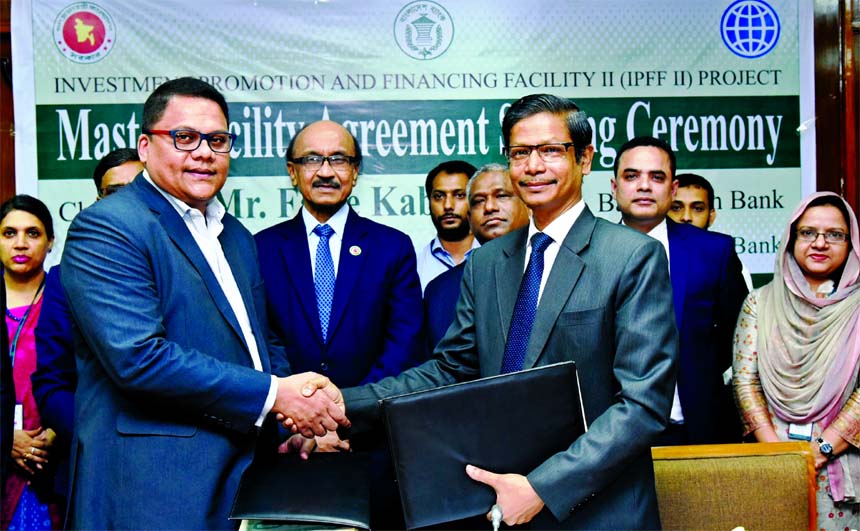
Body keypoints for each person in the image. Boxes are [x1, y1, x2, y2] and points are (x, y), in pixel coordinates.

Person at [335, 94, 678, 530]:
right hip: (497, 505)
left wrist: (541, 488)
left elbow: (642, 405)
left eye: (551, 150)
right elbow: (449, 370)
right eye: (520, 153)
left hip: (598, 511)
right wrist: (340, 402)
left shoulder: (632, 256)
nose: (533, 166)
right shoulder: (487, 263)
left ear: (585, 159)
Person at [59, 77, 348, 530]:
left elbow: (259, 340)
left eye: (217, 140)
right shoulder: (109, 228)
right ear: (145, 146)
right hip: (154, 486)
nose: (204, 152)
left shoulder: (235, 235)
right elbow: (138, 359)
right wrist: (277, 397)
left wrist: (288, 422)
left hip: (242, 475)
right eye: (184, 137)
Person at [255, 119, 424, 529]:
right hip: (286, 445)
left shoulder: (392, 246)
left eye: (339, 159)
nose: (326, 171)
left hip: (372, 445)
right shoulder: (259, 247)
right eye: (312, 159)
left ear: (356, 170)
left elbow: (403, 345)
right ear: (291, 171)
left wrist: (342, 421)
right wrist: (297, 420)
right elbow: (262, 342)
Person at [733, 192, 860, 529]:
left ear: (851, 244)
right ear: (791, 240)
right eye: (808, 232)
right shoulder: (759, 303)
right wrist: (778, 454)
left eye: (834, 235)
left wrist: (822, 450)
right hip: (772, 458)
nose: (820, 243)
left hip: (843, 465)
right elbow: (746, 382)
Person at [611, 137, 748, 445]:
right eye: (632, 176)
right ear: (614, 186)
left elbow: (735, 338)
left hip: (692, 428)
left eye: (656, 177)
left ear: (672, 189)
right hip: (610, 435)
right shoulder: (588, 251)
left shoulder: (713, 251)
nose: (644, 186)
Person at [30, 148, 143, 507]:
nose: (127, 200)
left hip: (183, 465)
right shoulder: (64, 278)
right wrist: (97, 434)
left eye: (138, 187)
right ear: (97, 200)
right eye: (115, 192)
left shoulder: (185, 269)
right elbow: (51, 382)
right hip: (91, 466)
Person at [0, 195, 63, 529]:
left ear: (50, 241)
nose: (20, 243)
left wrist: (55, 432)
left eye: (33, 233)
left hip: (51, 452)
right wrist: (6, 438)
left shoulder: (66, 297)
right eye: (9, 233)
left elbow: (86, 376)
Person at [424, 163, 530, 351]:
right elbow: (447, 365)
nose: (489, 207)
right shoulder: (440, 290)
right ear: (470, 219)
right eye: (478, 201)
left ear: (529, 206)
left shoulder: (553, 265)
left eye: (502, 196)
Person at [669, 172, 753, 289]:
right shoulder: (651, 258)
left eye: (698, 208)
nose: (686, 217)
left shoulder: (727, 267)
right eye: (676, 208)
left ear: (711, 216)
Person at [415, 160, 479, 290]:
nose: (448, 205)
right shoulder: (415, 264)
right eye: (439, 196)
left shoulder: (495, 258)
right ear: (429, 203)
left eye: (459, 195)